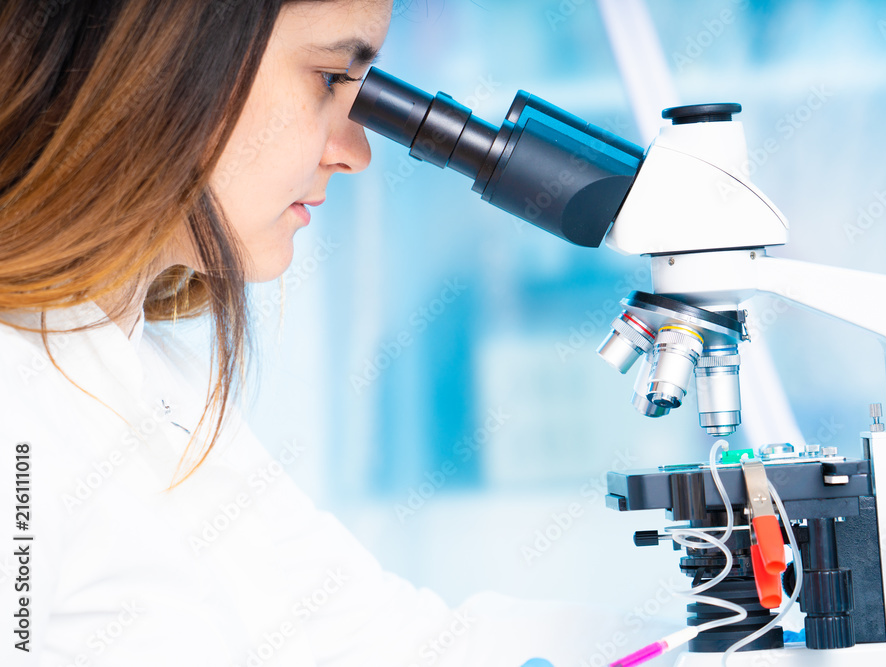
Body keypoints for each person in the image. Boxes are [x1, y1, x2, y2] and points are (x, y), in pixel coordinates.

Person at [0, 1, 671, 665]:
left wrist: (715, 644)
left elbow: (382, 644)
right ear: (160, 57)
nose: (355, 153)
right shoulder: (20, 404)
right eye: (329, 78)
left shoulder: (153, 378)